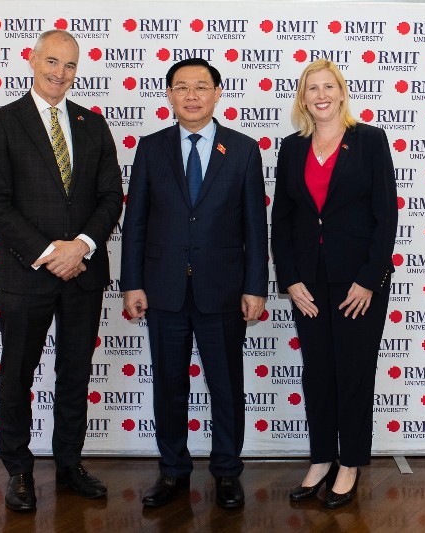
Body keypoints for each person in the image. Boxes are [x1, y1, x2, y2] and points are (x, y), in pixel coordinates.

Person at [0, 30, 123, 512]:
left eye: (70, 66)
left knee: (74, 373)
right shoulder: (2, 123)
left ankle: (69, 464)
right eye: (53, 62)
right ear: (33, 60)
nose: (61, 73)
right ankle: (18, 469)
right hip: (26, 274)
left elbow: (110, 197)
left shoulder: (92, 123)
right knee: (17, 372)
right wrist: (48, 252)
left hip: (83, 272)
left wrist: (79, 247)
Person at [120, 58, 268, 509]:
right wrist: (132, 283)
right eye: (181, 87)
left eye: (200, 87)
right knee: (168, 385)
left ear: (218, 92)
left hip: (223, 289)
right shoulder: (151, 148)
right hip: (162, 290)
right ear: (168, 95)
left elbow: (253, 226)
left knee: (225, 385)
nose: (191, 95)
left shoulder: (242, 149)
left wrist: (256, 286)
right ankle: (173, 472)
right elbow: (137, 221)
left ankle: (226, 472)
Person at [270, 59, 397, 509]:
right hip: (309, 282)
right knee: (318, 373)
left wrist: (369, 279)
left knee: (354, 373)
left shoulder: (369, 140)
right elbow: (281, 221)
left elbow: (386, 217)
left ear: (341, 93)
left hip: (358, 283)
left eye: (328, 87)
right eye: (311, 89)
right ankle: (321, 458)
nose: (320, 95)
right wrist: (290, 279)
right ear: (302, 98)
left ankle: (350, 463)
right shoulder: (291, 147)